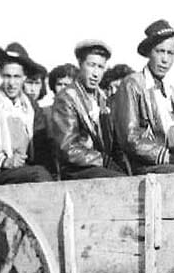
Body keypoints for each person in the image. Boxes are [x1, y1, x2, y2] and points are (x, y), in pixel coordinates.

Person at [111, 20, 174, 174]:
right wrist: (167, 158)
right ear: (149, 53)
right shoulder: (133, 84)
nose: (165, 60)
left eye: (170, 53)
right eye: (160, 51)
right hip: (146, 166)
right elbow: (130, 139)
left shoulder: (172, 90)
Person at [0, 42, 53, 184]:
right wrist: (5, 161)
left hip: (25, 170)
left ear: (24, 77)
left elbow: (41, 145)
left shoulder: (30, 107)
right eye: (7, 76)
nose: (12, 83)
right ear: (1, 74)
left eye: (16, 77)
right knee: (39, 175)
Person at [51, 40, 125, 180]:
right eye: (91, 65)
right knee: (118, 180)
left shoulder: (103, 99)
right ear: (80, 64)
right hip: (77, 170)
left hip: (101, 167)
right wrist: (102, 160)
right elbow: (68, 149)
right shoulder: (66, 98)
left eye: (100, 67)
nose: (96, 73)